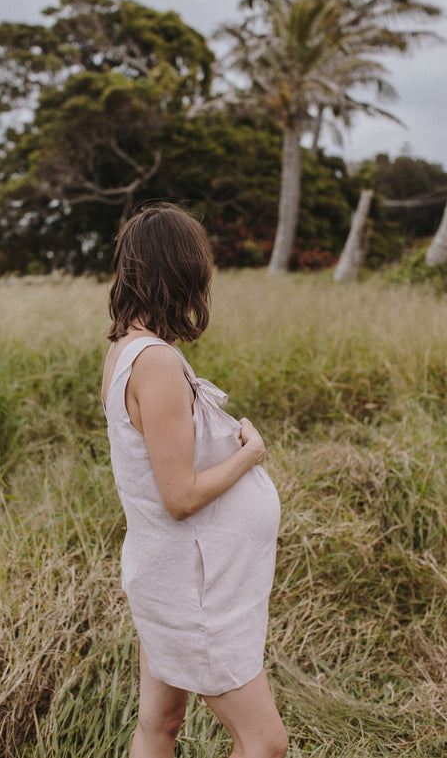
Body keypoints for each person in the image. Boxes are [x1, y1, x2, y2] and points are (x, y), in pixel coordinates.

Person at [101, 203, 288, 758]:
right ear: (182, 271)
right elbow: (179, 497)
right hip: (193, 590)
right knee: (265, 743)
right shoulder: (155, 362)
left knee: (159, 723)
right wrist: (249, 454)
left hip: (170, 574)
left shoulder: (124, 350)